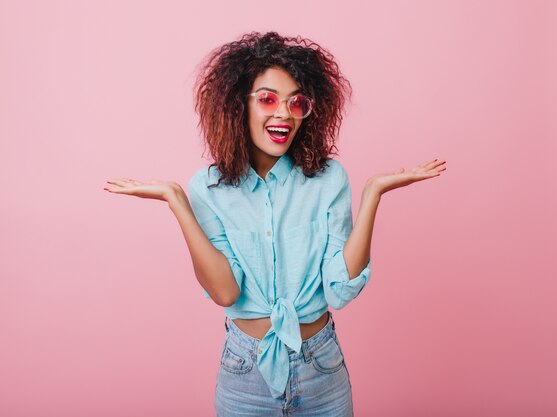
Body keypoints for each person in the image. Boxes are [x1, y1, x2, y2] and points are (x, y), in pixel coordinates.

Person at [104, 31, 447, 417]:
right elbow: (224, 292)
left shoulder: (328, 180)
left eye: (296, 103)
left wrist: (372, 195)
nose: (284, 113)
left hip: (321, 366)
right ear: (238, 105)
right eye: (267, 99)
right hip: (244, 371)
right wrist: (178, 203)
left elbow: (339, 291)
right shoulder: (208, 189)